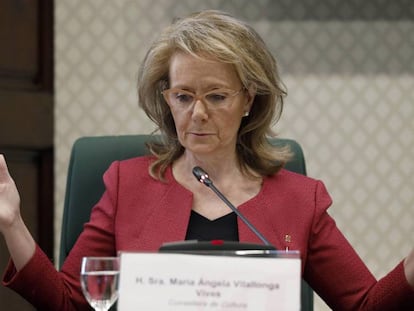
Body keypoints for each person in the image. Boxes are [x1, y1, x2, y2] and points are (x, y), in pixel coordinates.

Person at [1, 9, 413, 310]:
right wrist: (13, 224)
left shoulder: (299, 199)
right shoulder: (127, 185)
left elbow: (364, 306)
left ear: (248, 99)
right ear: (167, 99)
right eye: (183, 96)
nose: (197, 113)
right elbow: (70, 303)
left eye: (216, 96)